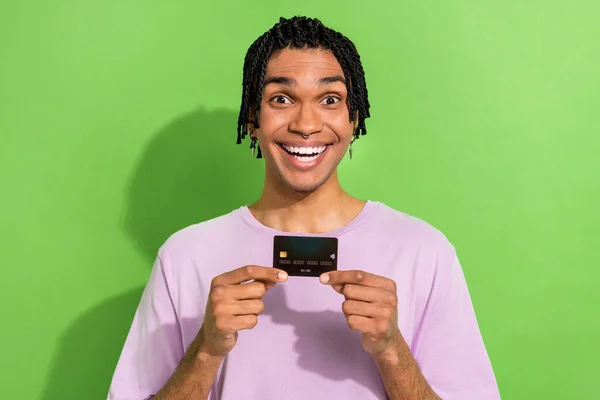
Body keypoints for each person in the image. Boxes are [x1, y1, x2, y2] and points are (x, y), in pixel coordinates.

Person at [107, 16, 501, 400]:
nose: (306, 123)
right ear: (251, 118)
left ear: (354, 118)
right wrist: (207, 350)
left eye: (330, 99)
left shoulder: (423, 251)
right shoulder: (185, 255)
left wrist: (392, 350)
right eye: (281, 99)